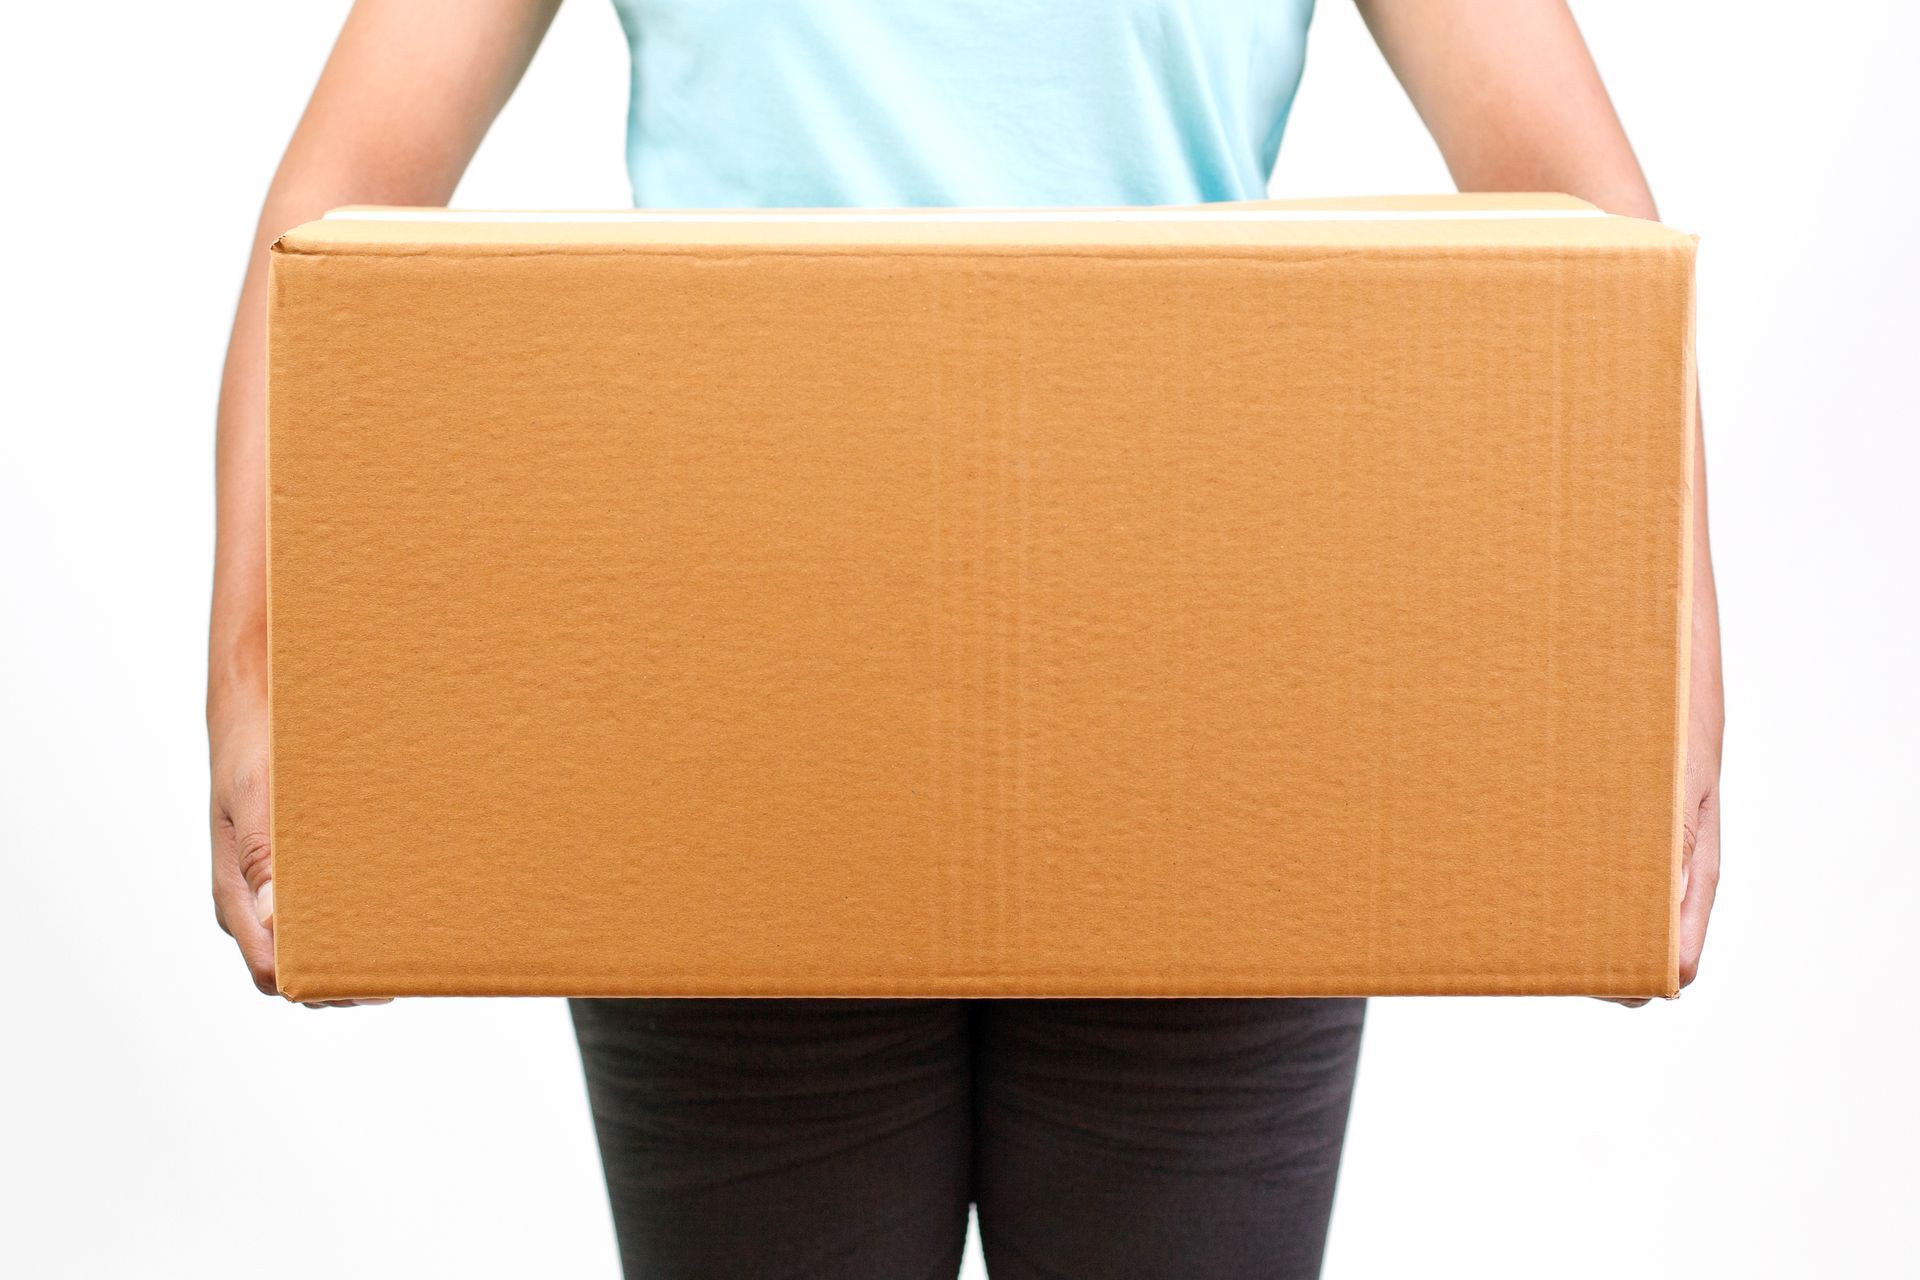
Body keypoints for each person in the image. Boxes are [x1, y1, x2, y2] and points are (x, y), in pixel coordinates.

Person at [207, 2, 1725, 1276]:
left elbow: (1586, 226)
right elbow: (341, 199)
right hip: (746, 726)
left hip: (1194, 727)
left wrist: (1672, 700)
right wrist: (255, 677)